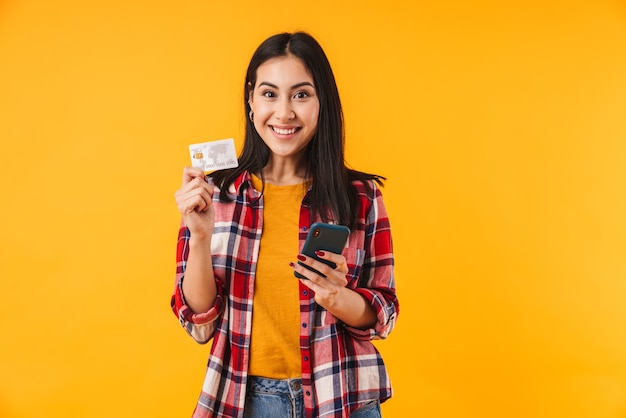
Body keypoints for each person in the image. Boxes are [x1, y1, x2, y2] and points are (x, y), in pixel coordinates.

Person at [171, 31, 399, 418]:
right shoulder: (215, 193)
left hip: (342, 396)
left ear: (321, 101)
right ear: (251, 100)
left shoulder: (361, 196)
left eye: (301, 94)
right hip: (245, 399)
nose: (284, 113)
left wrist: (336, 297)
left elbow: (383, 313)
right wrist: (200, 234)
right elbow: (199, 320)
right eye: (270, 93)